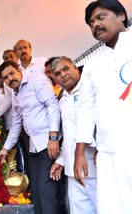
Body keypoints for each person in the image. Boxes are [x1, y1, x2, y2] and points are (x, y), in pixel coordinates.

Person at [74, 1, 132, 213]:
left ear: (122, 16)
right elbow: (86, 109)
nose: (95, 25)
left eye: (101, 17)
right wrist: (79, 153)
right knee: (112, 207)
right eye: (91, 23)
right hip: (109, 152)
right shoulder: (92, 64)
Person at [0, 61, 61, 214]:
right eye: (5, 77)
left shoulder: (36, 80)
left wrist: (53, 138)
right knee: (36, 190)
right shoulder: (14, 93)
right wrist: (5, 148)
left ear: (19, 70)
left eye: (12, 73)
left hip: (48, 143)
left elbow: (52, 105)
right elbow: (17, 123)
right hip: (32, 145)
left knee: (47, 190)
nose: (10, 79)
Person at [49, 56, 97, 214]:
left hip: (96, 168)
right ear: (54, 79)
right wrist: (62, 160)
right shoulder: (62, 98)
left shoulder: (91, 88)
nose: (62, 74)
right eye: (57, 73)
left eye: (66, 69)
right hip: (73, 171)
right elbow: (69, 133)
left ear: (75, 68)